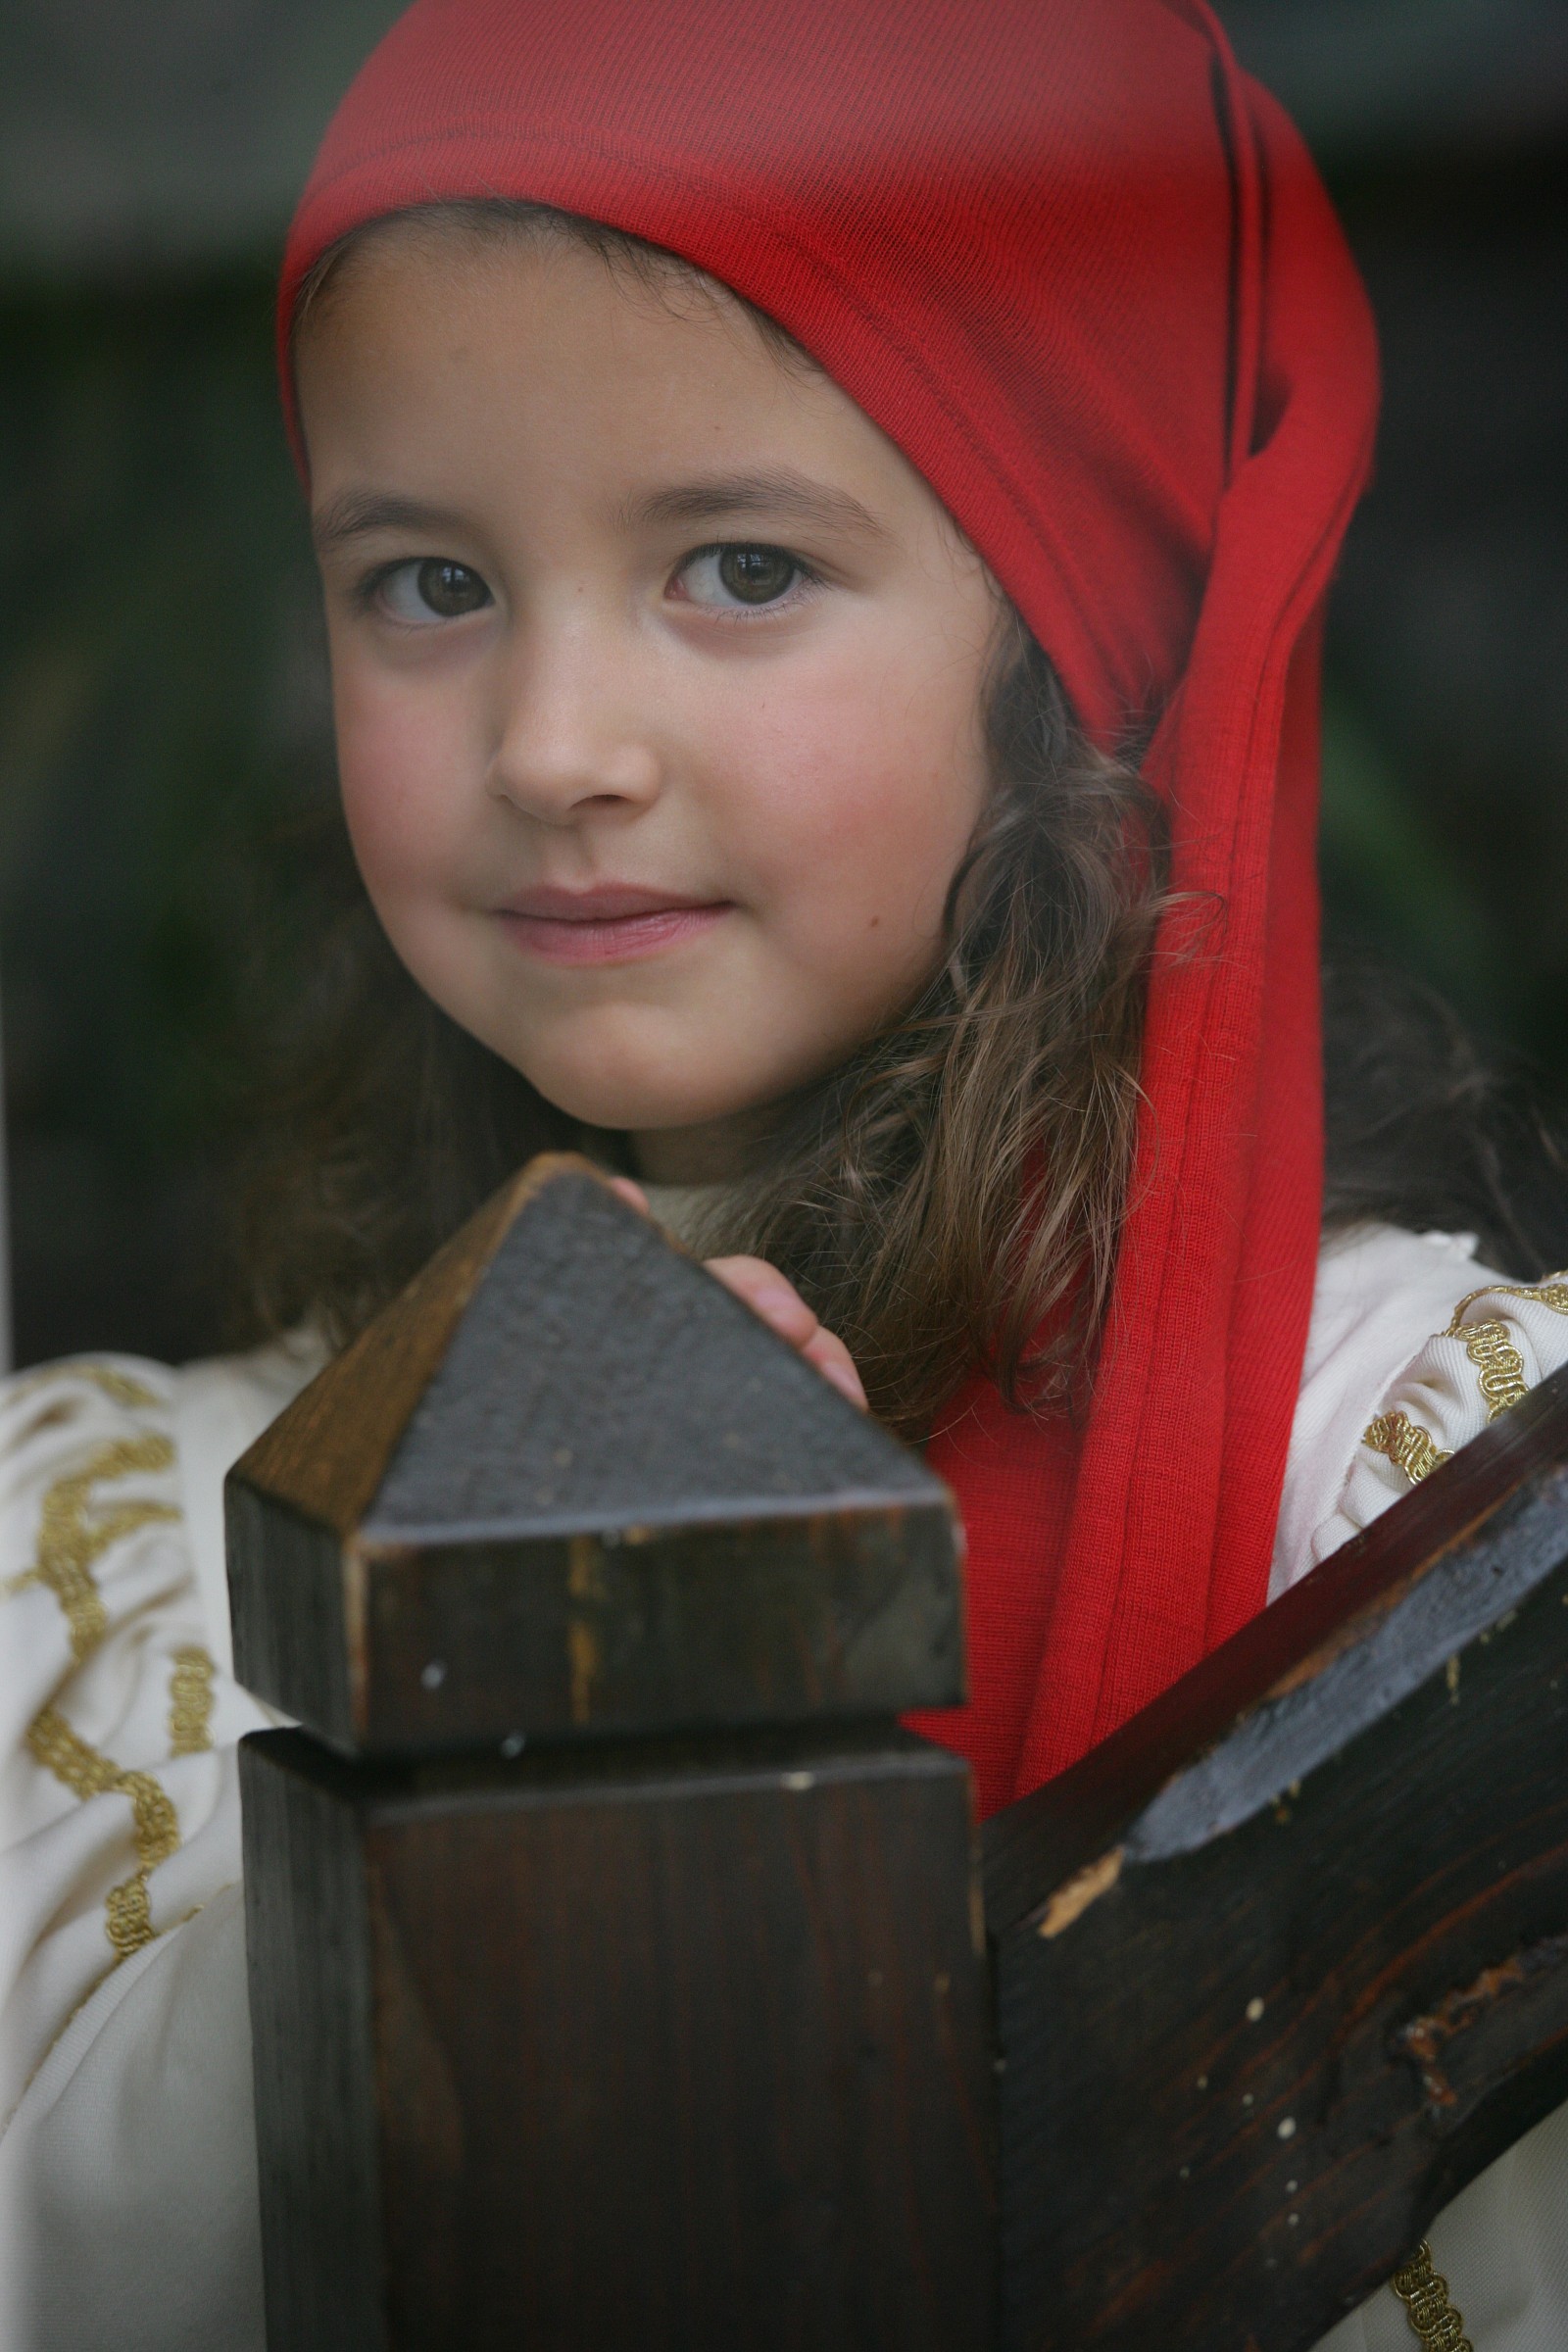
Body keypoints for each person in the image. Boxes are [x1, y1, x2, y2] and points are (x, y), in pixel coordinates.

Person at [2, 0, 1566, 2343]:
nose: (550, 746)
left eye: (735, 568)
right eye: (426, 582)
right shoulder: (103, 1560)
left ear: (1067, 643)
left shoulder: (1417, 1491)